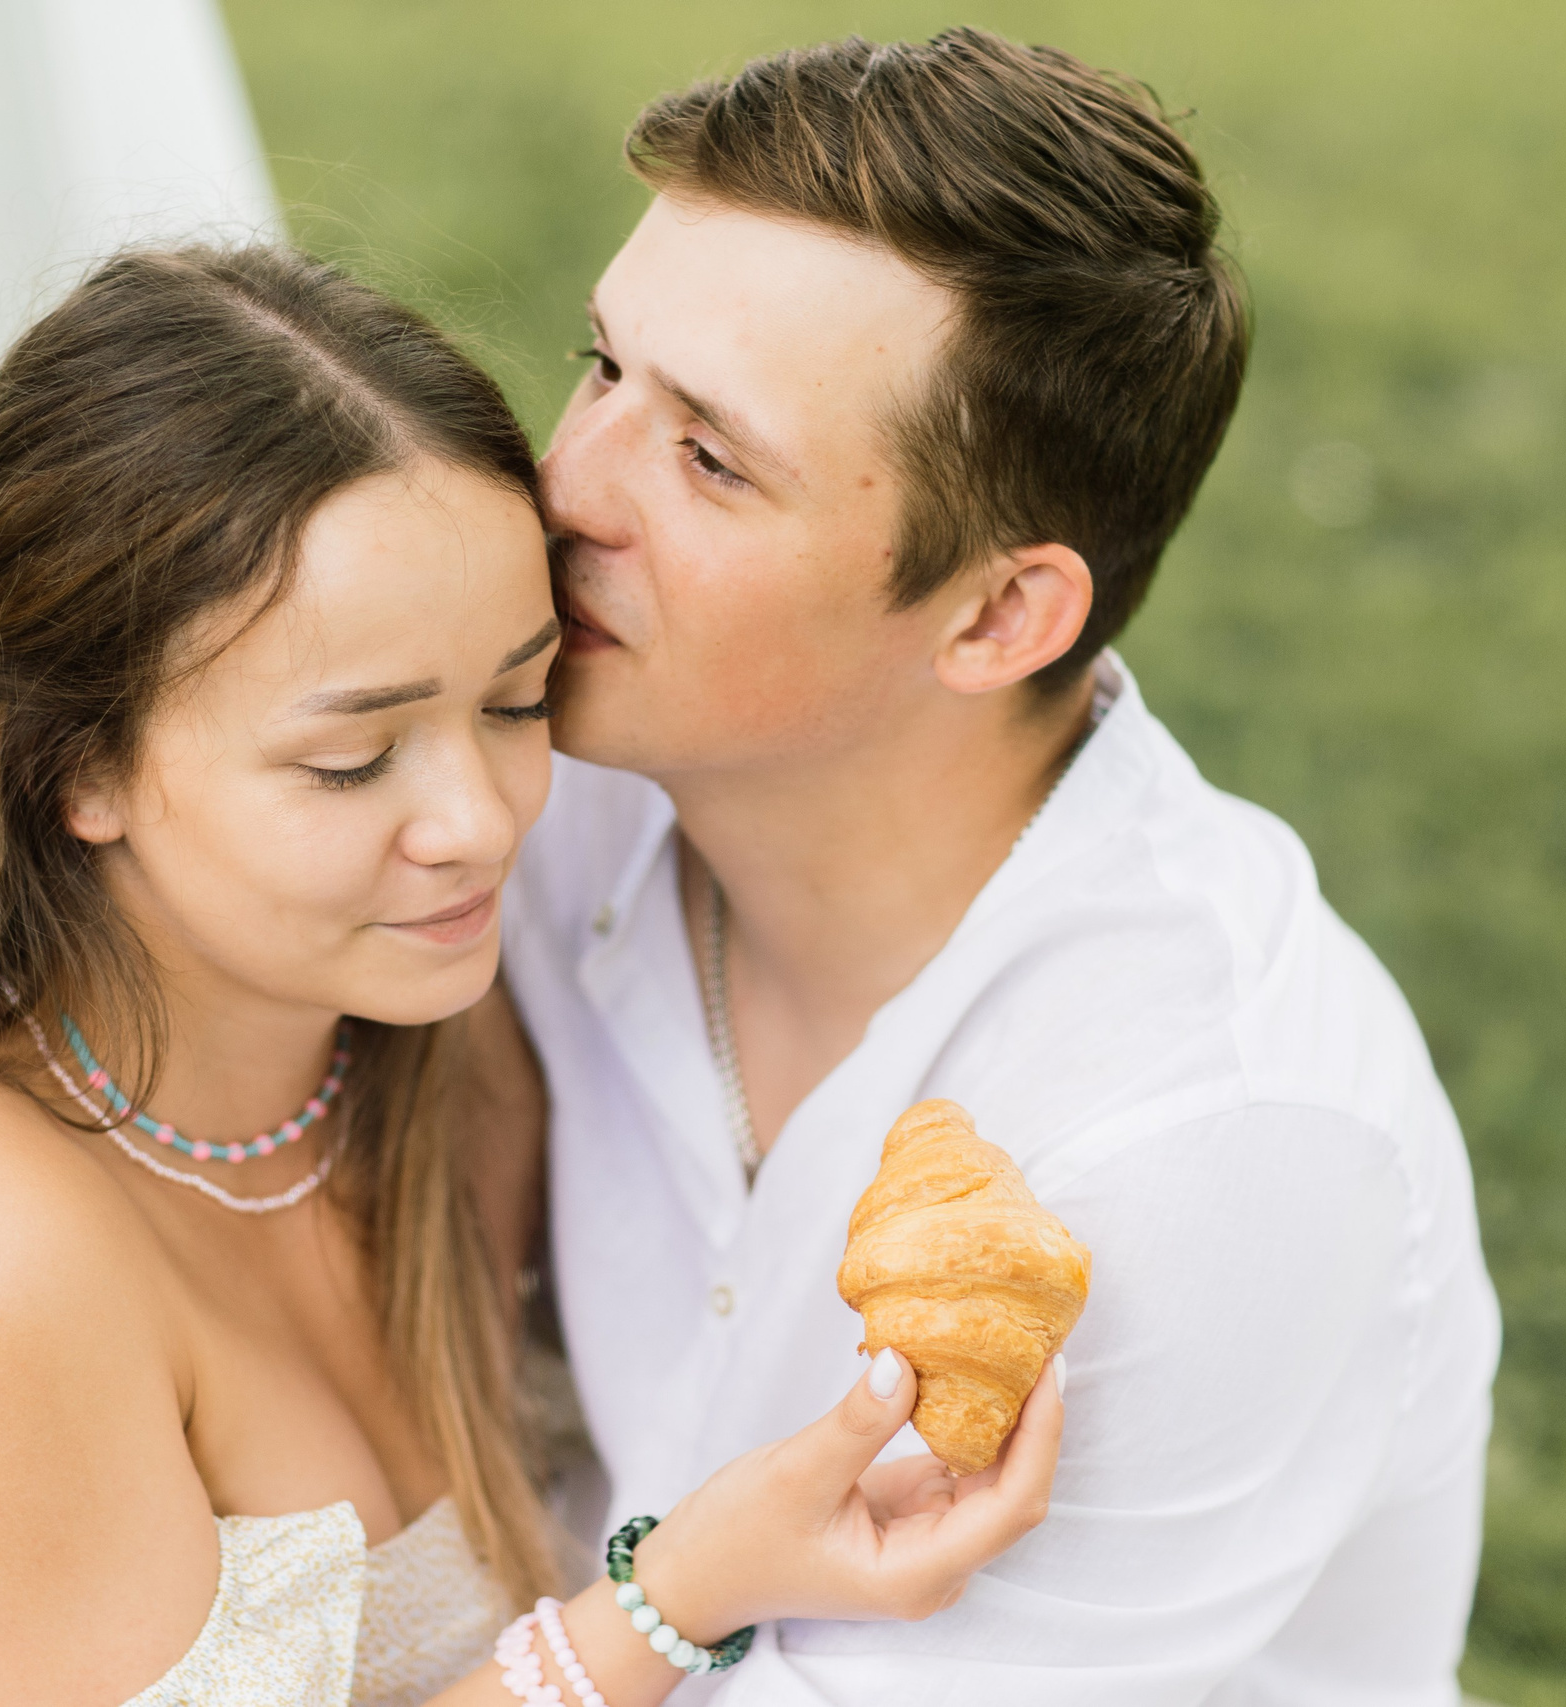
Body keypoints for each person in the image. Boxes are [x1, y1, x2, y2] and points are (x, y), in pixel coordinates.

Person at [0, 244, 1061, 1707]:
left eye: (519, 700)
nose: (481, 826)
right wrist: (674, 1601)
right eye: (352, 762)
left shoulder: (437, 1082)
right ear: (79, 765)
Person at [499, 29, 1503, 1704]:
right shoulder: (519, 794)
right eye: (606, 369)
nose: (562, 487)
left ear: (997, 615)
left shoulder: (1205, 1146)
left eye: (709, 459)